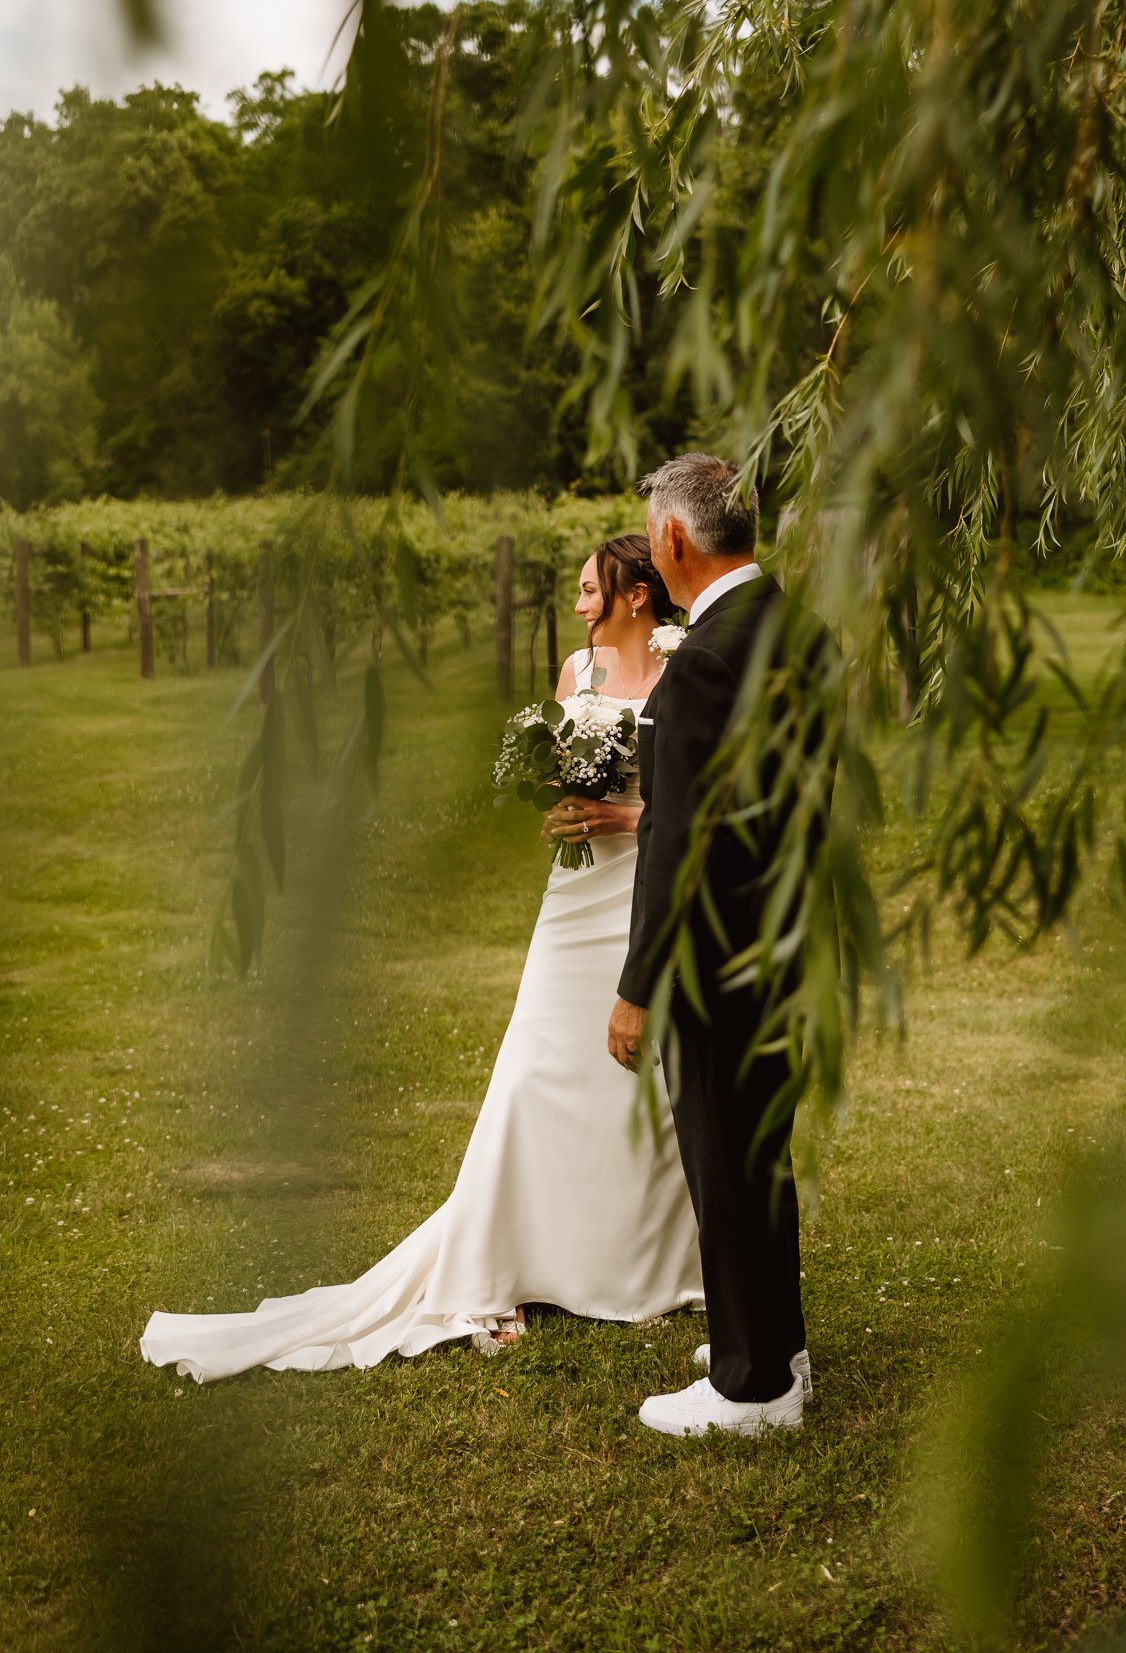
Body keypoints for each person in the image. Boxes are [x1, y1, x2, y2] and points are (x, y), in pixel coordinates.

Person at [141, 535, 703, 1384]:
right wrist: (553, 811)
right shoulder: (575, 673)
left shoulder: (684, 669)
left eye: (592, 590)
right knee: (536, 1068)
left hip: (644, 887)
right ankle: (501, 1261)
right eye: (578, 590)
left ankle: (646, 1262)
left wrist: (624, 821)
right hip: (575, 898)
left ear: (635, 594)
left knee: (644, 1076)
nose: (580, 603)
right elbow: (558, 779)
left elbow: (691, 800)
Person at [607, 454, 834, 1438]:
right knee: (756, 1151)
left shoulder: (702, 659)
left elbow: (678, 836)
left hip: (718, 951)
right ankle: (769, 1338)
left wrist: (637, 985)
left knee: (725, 1151)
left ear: (671, 540)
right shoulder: (794, 626)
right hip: (783, 934)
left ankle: (754, 1389)